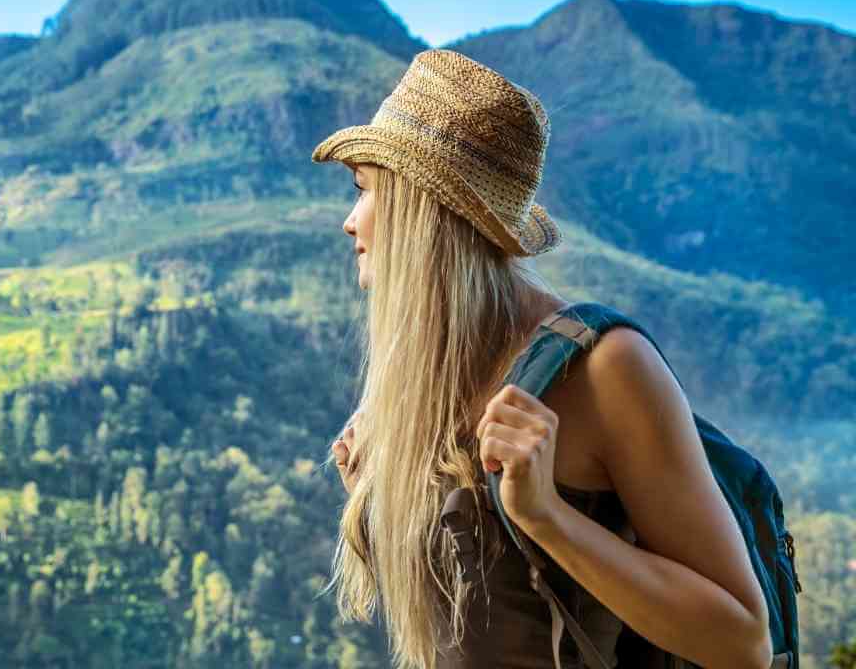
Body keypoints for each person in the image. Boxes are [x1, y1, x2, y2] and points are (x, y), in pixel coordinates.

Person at [314, 49, 772, 669]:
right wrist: (378, 501)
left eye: (365, 189)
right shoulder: (428, 366)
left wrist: (547, 516)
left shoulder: (605, 367)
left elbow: (741, 641)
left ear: (422, 210)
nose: (349, 221)